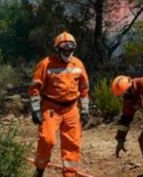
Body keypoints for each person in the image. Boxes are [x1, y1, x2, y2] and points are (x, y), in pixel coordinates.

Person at [28, 31, 89, 177]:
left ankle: (69, 174)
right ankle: (40, 169)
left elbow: (84, 88)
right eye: (64, 48)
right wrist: (35, 109)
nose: (67, 51)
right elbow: (35, 87)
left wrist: (85, 109)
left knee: (72, 144)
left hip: (71, 109)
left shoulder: (78, 64)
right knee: (47, 140)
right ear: (57, 49)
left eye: (70, 48)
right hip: (51, 108)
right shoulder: (45, 64)